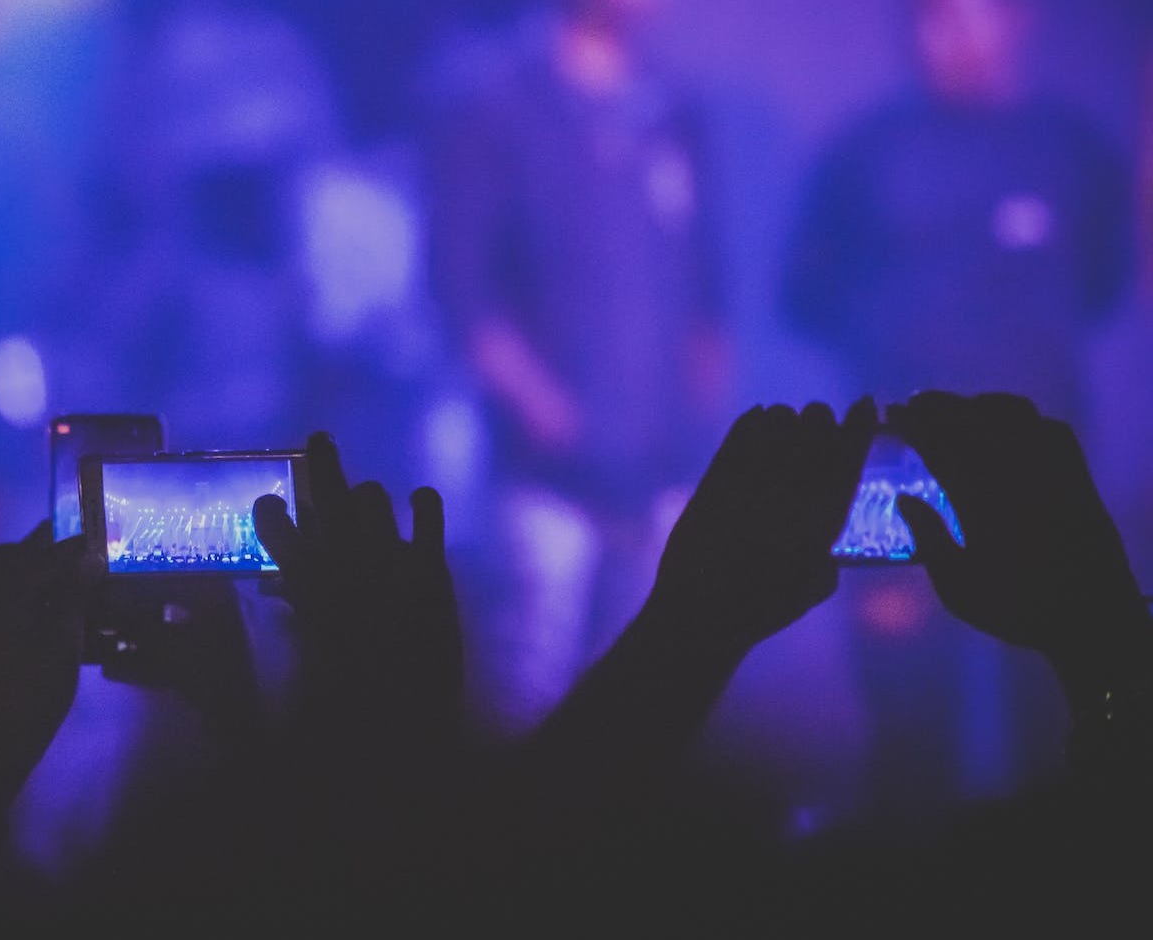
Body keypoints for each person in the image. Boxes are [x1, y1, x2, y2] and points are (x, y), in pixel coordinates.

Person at [782, 0, 1133, 815]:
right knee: (904, 713)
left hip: (1041, 476)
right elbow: (803, 291)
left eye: (972, 17)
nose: (952, 38)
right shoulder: (866, 153)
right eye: (933, 20)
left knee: (1053, 707)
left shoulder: (1070, 152)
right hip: (888, 473)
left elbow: (1103, 281)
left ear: (1018, 23)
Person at [427, 0, 729, 733]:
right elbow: (461, 288)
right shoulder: (498, 107)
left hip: (661, 472)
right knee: (531, 697)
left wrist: (697, 425)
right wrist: (541, 406)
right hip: (548, 481)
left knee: (653, 704)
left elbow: (707, 286)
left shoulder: (672, 109)